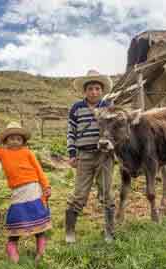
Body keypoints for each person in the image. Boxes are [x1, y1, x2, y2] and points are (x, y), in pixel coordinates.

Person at [0, 122, 51, 264]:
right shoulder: (2, 153)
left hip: (33, 188)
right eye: (11, 138)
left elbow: (39, 170)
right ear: (6, 141)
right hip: (18, 192)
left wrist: (46, 186)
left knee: (38, 221)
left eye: (18, 139)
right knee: (16, 220)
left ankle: (41, 250)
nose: (15, 141)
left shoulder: (27, 153)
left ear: (23, 141)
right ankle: (12, 246)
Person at [65, 69, 117, 244]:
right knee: (79, 194)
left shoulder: (108, 106)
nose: (94, 92)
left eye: (97, 88)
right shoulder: (76, 108)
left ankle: (109, 231)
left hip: (105, 156)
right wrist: (72, 153)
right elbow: (71, 132)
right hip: (84, 155)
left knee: (107, 193)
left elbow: (116, 129)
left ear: (102, 90)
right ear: (84, 91)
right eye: (90, 89)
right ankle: (70, 232)